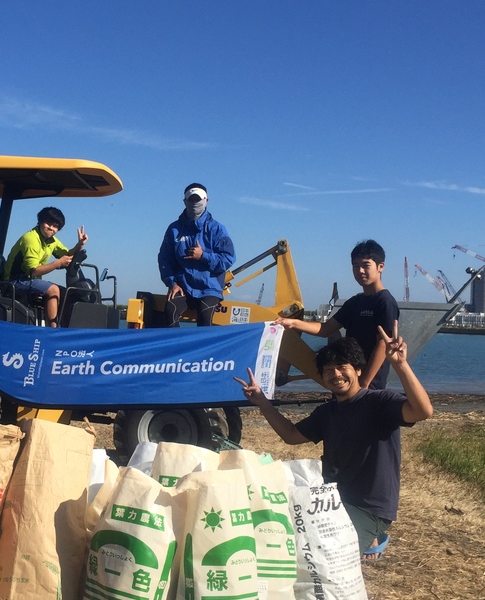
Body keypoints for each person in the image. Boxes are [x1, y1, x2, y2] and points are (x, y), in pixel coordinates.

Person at [235, 329, 433, 560]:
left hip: (369, 506)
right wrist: (262, 401)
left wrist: (400, 365)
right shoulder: (327, 412)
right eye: (328, 370)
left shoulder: (380, 402)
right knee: (294, 540)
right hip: (332, 499)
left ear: (358, 370)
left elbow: (422, 411)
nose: (336, 374)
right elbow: (291, 435)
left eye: (342, 367)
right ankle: (370, 537)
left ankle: (372, 533)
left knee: (329, 556)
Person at [276, 239, 399, 389]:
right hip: (349, 380)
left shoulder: (385, 302)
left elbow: (383, 344)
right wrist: (294, 323)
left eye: (366, 265)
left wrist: (365, 383)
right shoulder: (355, 302)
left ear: (380, 267)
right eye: (355, 266)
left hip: (369, 385)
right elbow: (326, 329)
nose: (360, 271)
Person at [157, 183, 236, 326]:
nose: (195, 203)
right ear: (184, 201)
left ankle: (204, 342)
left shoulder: (217, 229)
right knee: (170, 310)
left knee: (205, 317)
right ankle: (175, 342)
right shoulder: (174, 229)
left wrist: (203, 256)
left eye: (198, 199)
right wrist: (172, 283)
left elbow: (228, 258)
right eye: (191, 199)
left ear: (206, 201)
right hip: (183, 287)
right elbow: (164, 259)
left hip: (209, 289)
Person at [3, 206, 87, 327]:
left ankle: (63, 329)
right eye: (48, 223)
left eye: (55, 226)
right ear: (41, 221)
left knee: (68, 293)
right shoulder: (31, 239)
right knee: (53, 290)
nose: (51, 228)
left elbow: (67, 255)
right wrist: (57, 263)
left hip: (31, 280)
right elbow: (33, 271)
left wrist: (80, 244)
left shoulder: (51, 241)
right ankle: (52, 330)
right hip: (15, 280)